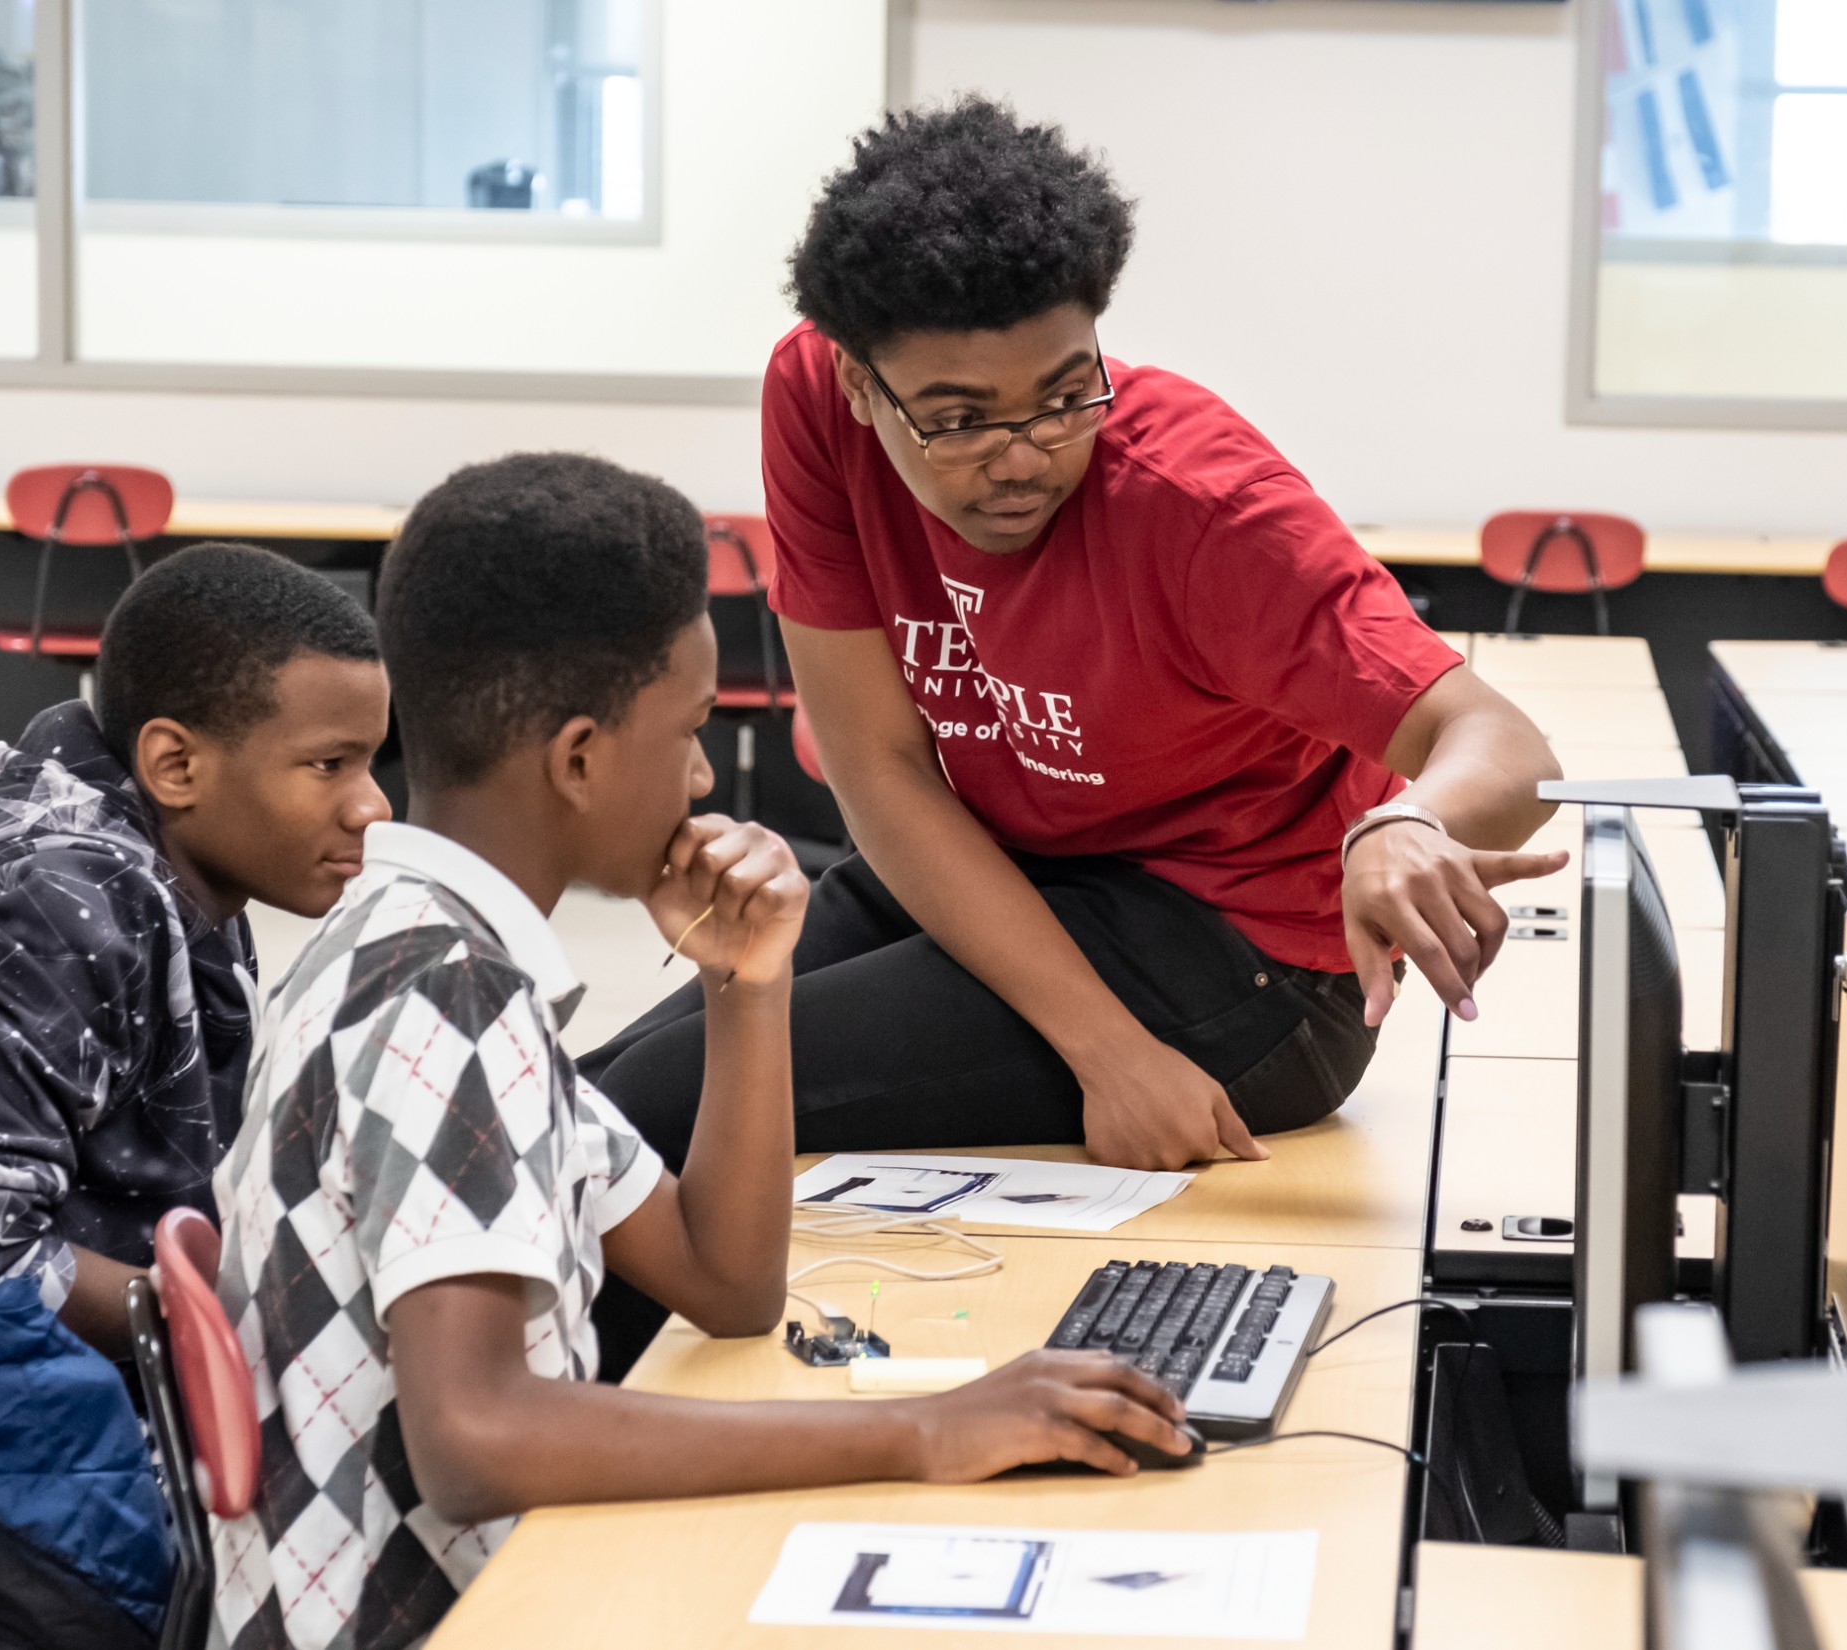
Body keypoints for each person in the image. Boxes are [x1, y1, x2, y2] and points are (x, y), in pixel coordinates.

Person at [207, 453, 1192, 1650]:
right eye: (687, 731)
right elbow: (475, 1440)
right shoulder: (445, 994)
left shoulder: (419, 938)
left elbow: (727, 1284)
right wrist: (924, 1428)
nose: (702, 776)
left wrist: (747, 986)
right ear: (576, 760)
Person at [586, 97, 1566, 1180]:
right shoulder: (814, 397)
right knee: (580, 1100)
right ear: (862, 384)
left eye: (1064, 394)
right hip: (1008, 864)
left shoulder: (1201, 506)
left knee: (654, 1110)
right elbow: (878, 765)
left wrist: (1407, 825)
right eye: (958, 419)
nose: (1023, 457)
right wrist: (1099, 1049)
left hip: (1243, 958)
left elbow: (1502, 743)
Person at [0, 542, 390, 1358]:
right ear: (175, 766)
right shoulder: (58, 918)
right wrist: (240, 1316)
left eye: (370, 761)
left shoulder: (188, 879)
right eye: (330, 765)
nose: (372, 806)